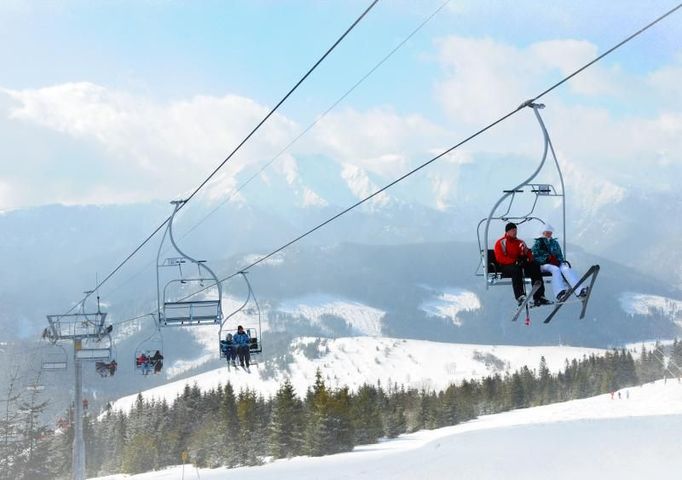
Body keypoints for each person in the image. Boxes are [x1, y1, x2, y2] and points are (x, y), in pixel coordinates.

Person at [494, 222, 550, 306]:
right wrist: (514, 261)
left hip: (519, 264)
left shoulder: (520, 242)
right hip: (506, 266)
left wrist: (529, 258)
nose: (515, 232)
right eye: (513, 230)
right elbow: (500, 258)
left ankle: (539, 296)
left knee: (534, 267)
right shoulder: (501, 243)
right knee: (516, 270)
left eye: (515, 230)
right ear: (507, 232)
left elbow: (528, 253)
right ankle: (520, 295)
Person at [531, 224, 588, 302]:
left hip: (554, 263)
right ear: (543, 233)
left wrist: (558, 261)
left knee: (566, 269)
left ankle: (579, 290)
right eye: (547, 232)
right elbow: (534, 256)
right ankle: (559, 293)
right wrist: (547, 259)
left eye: (550, 232)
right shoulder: (538, 243)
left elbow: (560, 255)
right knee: (555, 269)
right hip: (543, 265)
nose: (549, 234)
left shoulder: (554, 243)